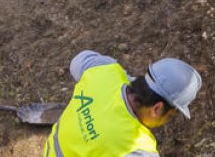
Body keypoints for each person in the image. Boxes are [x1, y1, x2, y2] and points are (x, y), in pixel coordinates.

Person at [44, 50, 202, 157]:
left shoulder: (105, 71)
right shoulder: (137, 149)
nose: (167, 121)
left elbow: (77, 61)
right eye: (171, 116)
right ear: (157, 108)